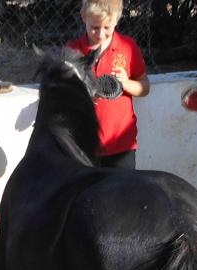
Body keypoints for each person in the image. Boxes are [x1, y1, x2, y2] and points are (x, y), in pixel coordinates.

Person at [67, 0, 150, 170]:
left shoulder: (127, 48)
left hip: (121, 144)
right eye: (95, 27)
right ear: (84, 17)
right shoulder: (72, 51)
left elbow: (145, 87)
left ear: (117, 20)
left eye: (107, 27)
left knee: (123, 194)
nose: (100, 34)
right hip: (83, 144)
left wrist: (126, 83)